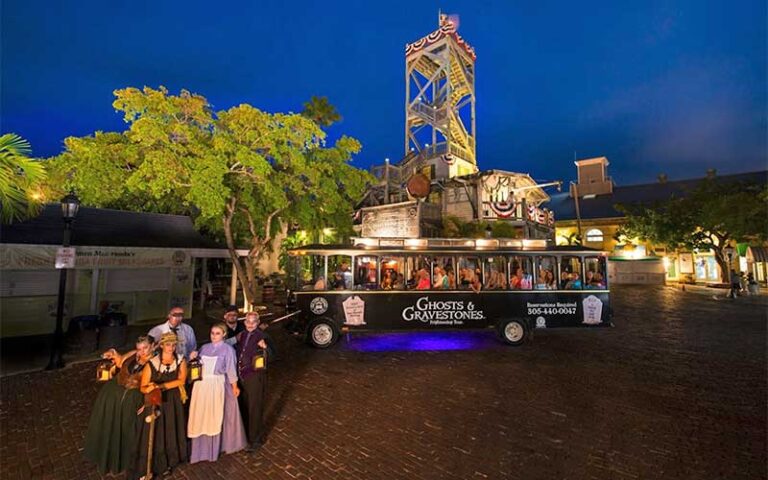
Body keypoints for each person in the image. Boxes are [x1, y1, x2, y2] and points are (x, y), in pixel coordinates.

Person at [84, 337, 153, 476]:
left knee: (126, 416)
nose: (141, 352)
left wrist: (146, 401)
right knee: (107, 410)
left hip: (133, 394)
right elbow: (120, 361)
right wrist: (113, 354)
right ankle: (104, 452)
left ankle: (122, 458)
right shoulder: (134, 354)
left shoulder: (154, 362)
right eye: (139, 348)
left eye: (145, 348)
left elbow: (154, 383)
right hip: (116, 391)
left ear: (152, 346)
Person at [188, 324, 248, 463]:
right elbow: (196, 366)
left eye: (217, 333)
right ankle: (199, 450)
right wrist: (192, 358)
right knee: (200, 416)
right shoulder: (204, 348)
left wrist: (234, 386)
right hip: (201, 386)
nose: (214, 336)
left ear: (224, 334)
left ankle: (213, 449)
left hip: (215, 386)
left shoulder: (228, 350)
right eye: (212, 333)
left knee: (213, 416)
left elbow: (231, 370)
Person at [134, 332, 188, 479]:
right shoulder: (152, 364)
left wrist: (161, 386)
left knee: (171, 428)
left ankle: (171, 460)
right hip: (156, 402)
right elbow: (143, 387)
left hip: (173, 401)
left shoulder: (181, 361)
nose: (171, 348)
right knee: (157, 431)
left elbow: (181, 380)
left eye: (174, 345)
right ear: (162, 345)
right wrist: (151, 389)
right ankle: (157, 463)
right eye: (168, 344)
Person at [235, 312, 270, 451]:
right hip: (241, 375)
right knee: (243, 406)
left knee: (254, 407)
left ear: (258, 322)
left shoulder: (263, 336)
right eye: (248, 321)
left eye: (253, 321)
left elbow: (274, 354)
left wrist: (265, 348)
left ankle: (255, 439)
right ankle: (244, 436)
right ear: (244, 322)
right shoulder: (242, 335)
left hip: (254, 376)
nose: (250, 324)